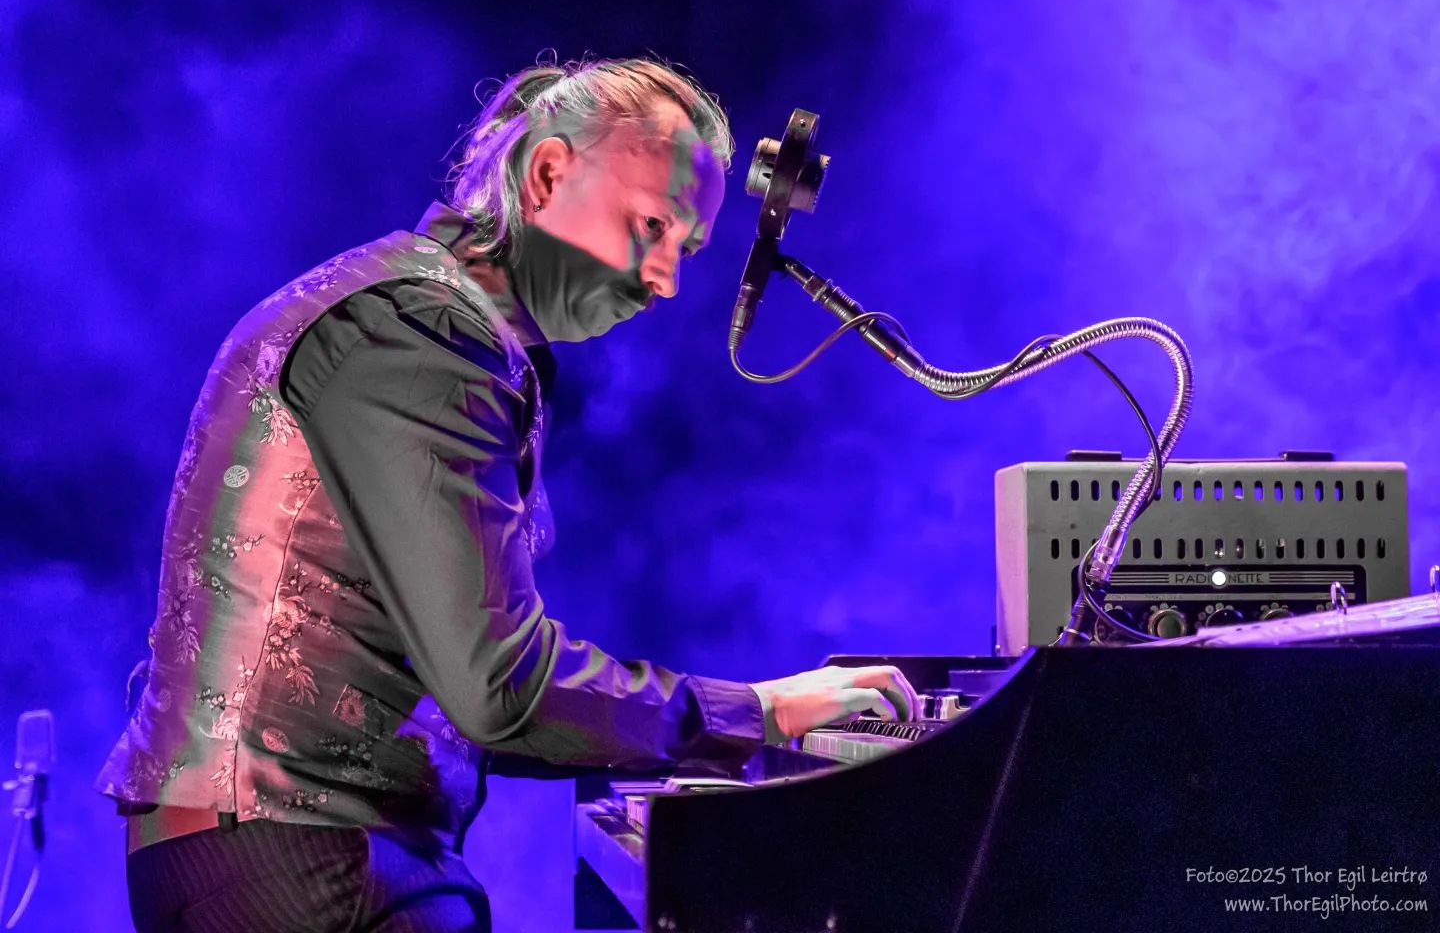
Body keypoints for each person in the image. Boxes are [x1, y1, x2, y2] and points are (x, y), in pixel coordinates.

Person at [97, 56, 917, 933]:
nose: (667, 279)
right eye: (652, 225)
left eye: (687, 248)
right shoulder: (418, 334)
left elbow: (472, 689)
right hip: (302, 856)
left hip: (284, 848)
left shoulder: (424, 318)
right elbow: (500, 687)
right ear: (548, 175)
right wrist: (760, 711)